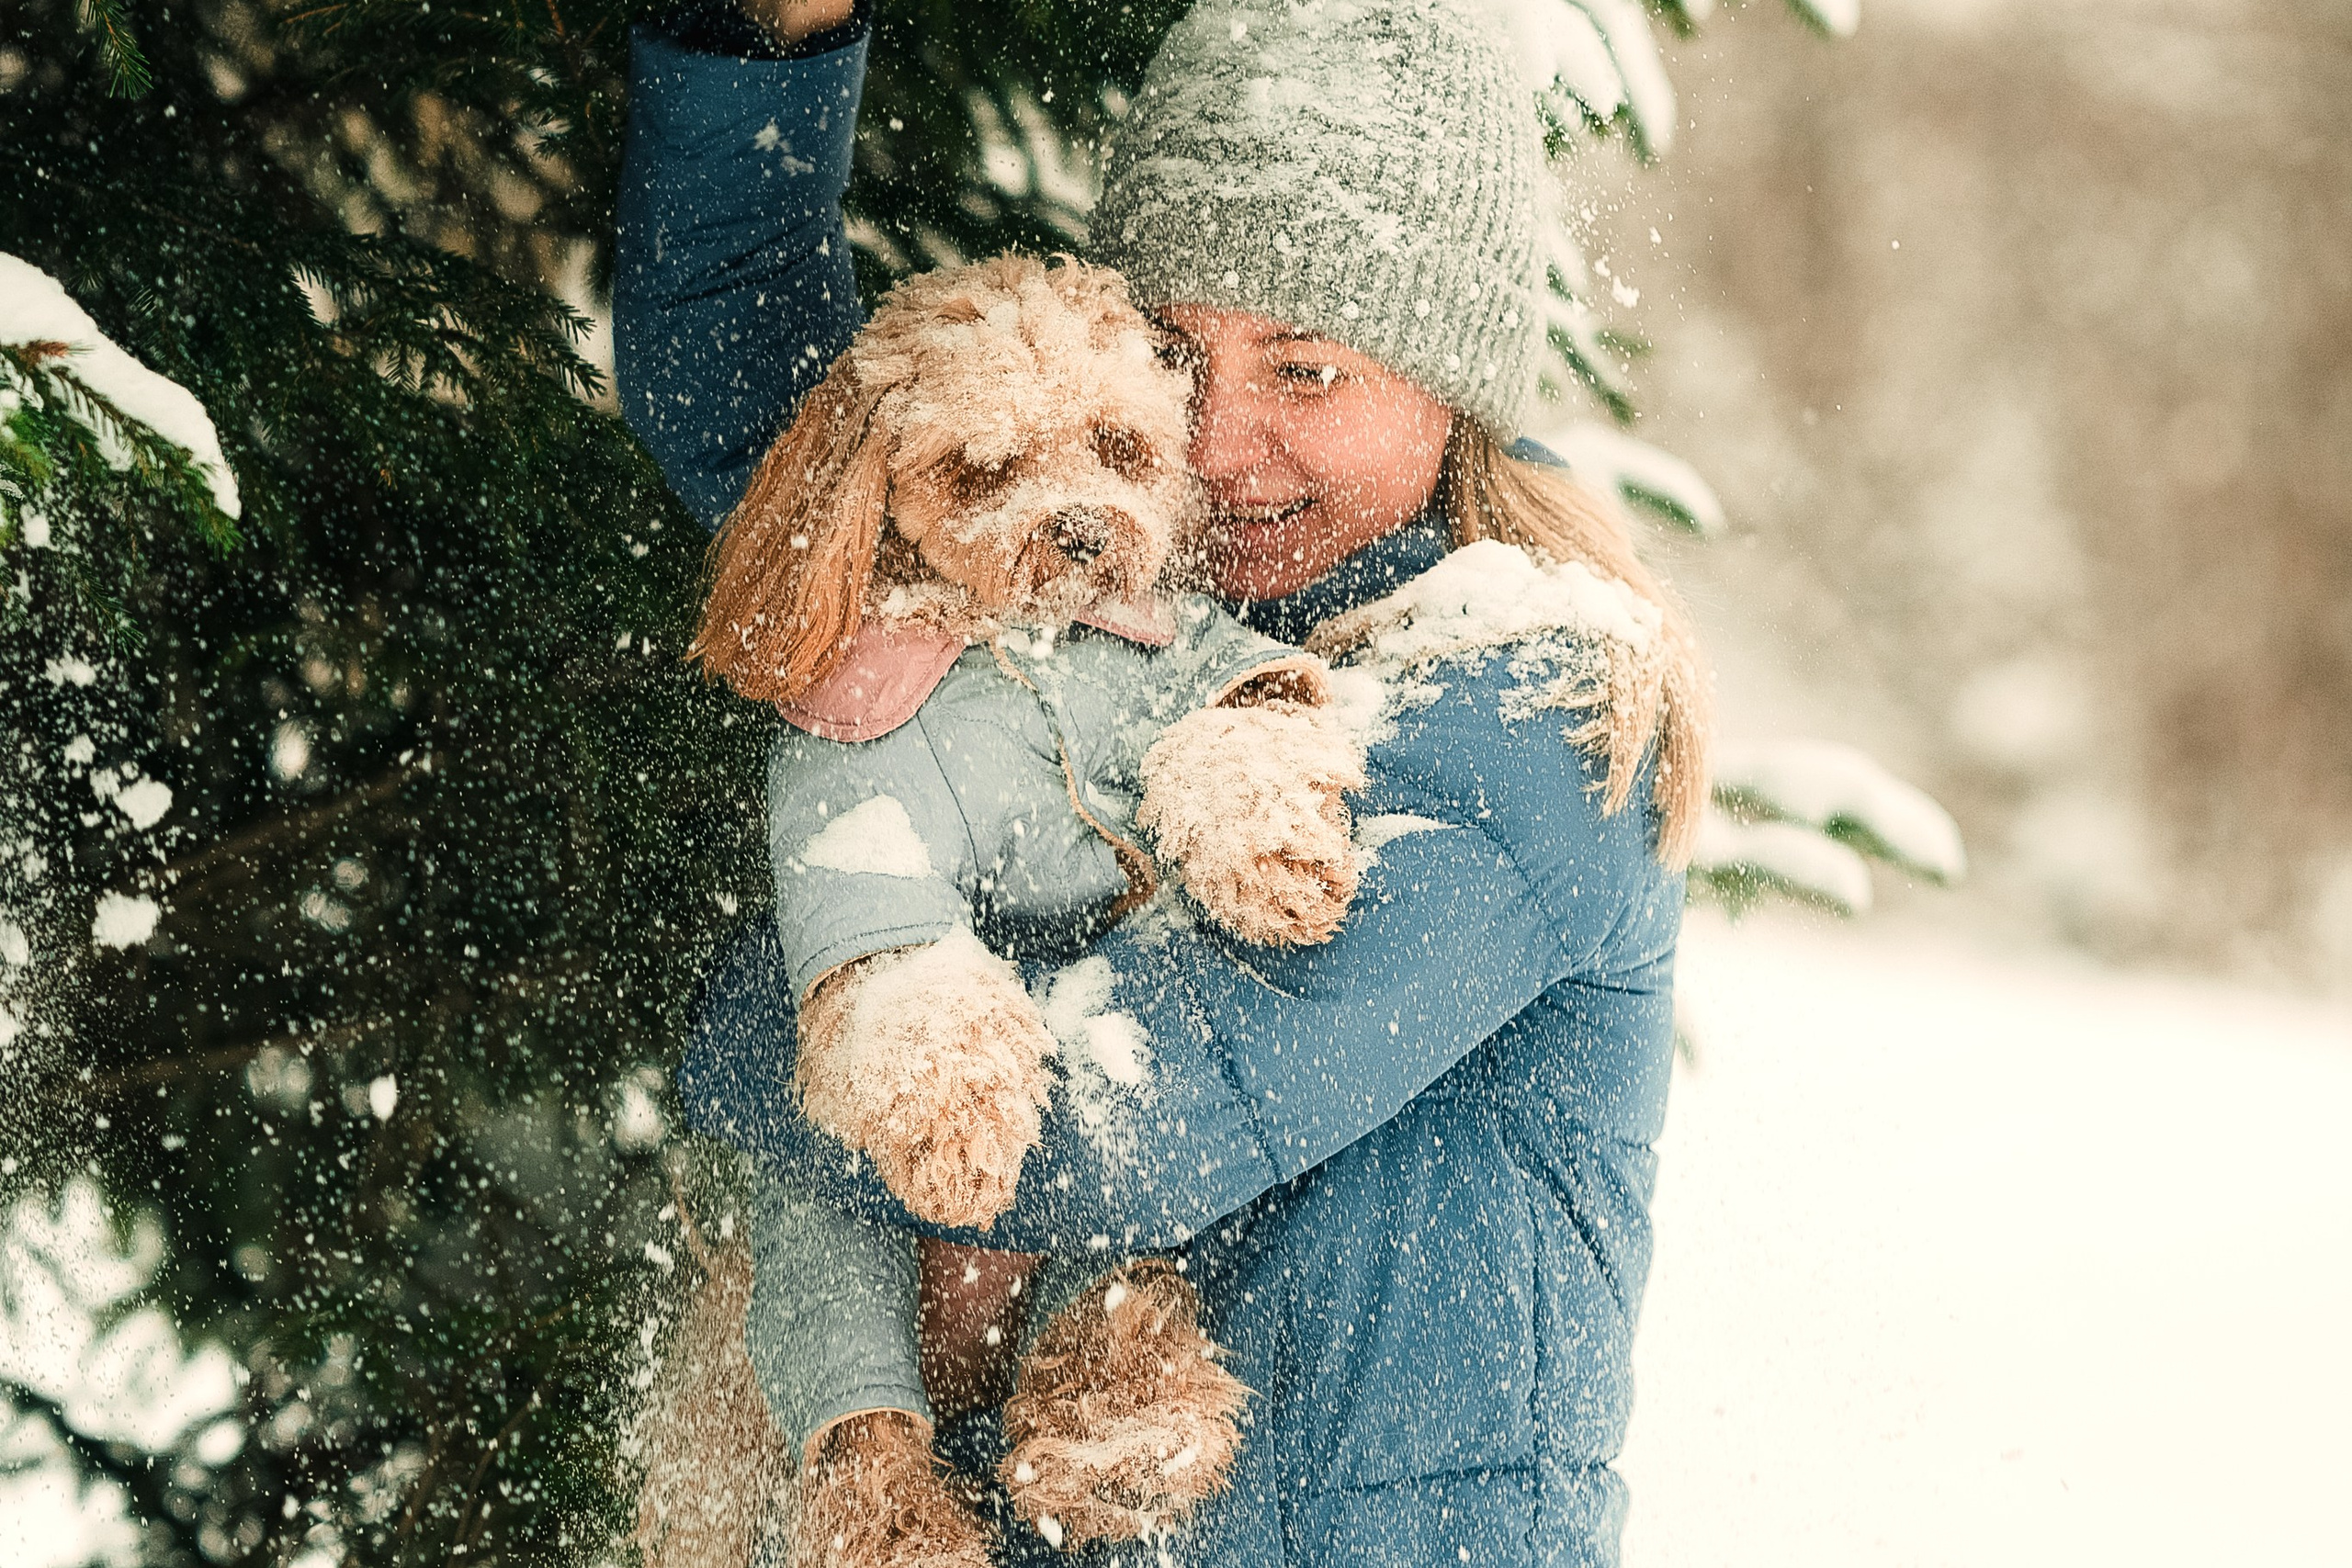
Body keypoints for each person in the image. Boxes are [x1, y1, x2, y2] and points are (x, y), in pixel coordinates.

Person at [615, 1, 1709, 1563]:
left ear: (1448, 379)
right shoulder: (1107, 621)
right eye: (1180, 359)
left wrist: (803, 1000)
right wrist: (764, 45)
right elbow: (804, 449)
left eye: (1310, 371)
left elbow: (1108, 1133)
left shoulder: (1535, 697)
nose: (1232, 441)